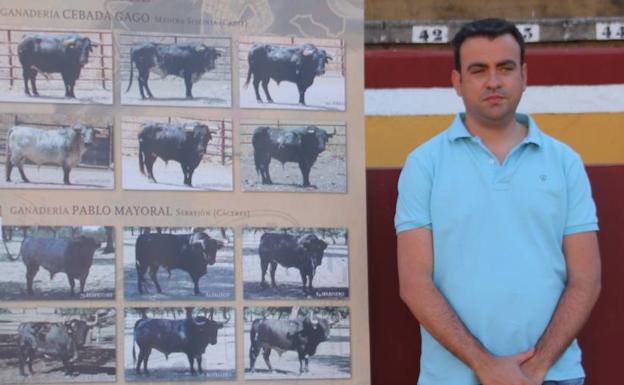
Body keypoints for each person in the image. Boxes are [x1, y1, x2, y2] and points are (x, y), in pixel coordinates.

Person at [395, 18, 601, 385]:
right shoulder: (424, 164)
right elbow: (414, 284)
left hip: (553, 377)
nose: (493, 81)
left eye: (505, 68)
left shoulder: (565, 162)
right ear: (457, 81)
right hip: (452, 378)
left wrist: (536, 367)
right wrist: (485, 364)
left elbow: (586, 279)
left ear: (523, 75)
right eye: (478, 70)